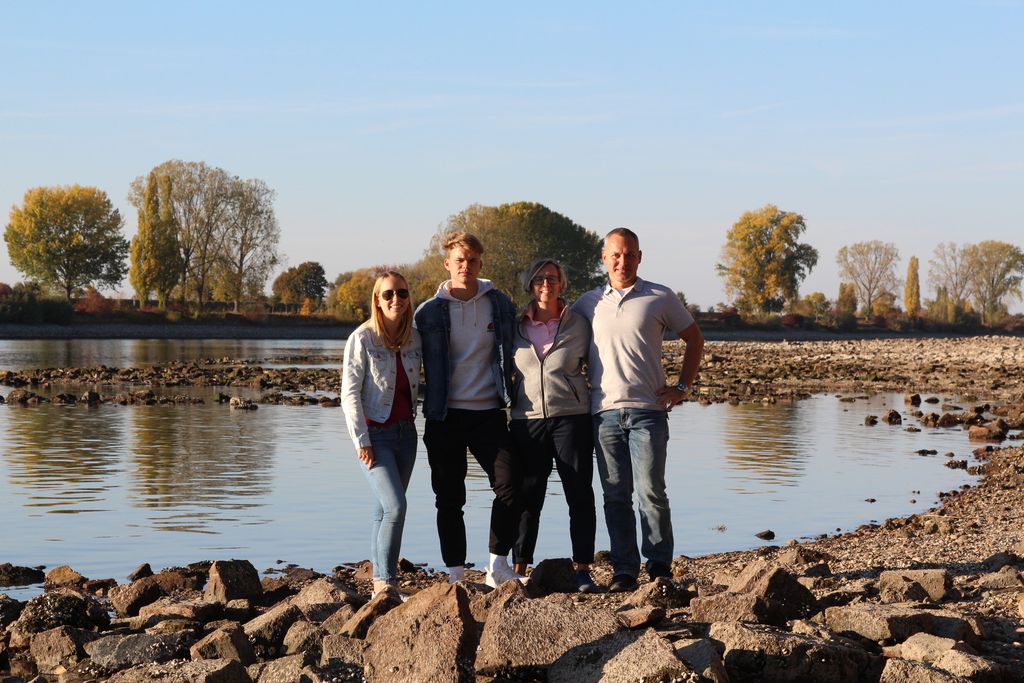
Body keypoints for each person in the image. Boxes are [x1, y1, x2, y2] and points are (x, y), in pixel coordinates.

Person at [573, 227, 705, 592]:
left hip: (649, 410)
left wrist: (682, 387)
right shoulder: (588, 303)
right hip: (603, 414)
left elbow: (694, 339)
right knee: (615, 495)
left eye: (629, 254)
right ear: (604, 258)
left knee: (651, 491)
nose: (622, 261)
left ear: (639, 257)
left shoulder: (660, 297)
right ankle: (624, 570)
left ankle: (659, 566)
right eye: (615, 254)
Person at [413, 231, 524, 587]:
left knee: (510, 484)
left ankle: (497, 565)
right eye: (459, 260)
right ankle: (456, 575)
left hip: (489, 412)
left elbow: (526, 335)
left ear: (480, 263)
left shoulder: (500, 304)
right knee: (449, 496)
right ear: (447, 264)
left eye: (472, 260)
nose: (466, 266)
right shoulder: (428, 313)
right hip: (444, 416)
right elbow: (403, 350)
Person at [510, 258, 600, 593]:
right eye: (539, 278)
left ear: (562, 284)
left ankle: (583, 570)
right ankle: (519, 567)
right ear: (530, 284)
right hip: (527, 420)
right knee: (528, 496)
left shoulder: (579, 323)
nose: (545, 283)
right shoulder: (515, 324)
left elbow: (598, 366)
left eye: (552, 278)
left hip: (572, 418)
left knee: (579, 494)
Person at [341, 271, 422, 597]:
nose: (395, 300)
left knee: (382, 510)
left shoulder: (415, 338)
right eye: (388, 294)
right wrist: (361, 440)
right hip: (376, 437)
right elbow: (349, 394)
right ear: (377, 299)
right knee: (396, 507)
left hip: (406, 436)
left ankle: (378, 583)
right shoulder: (361, 339)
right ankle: (387, 583)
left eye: (401, 293)